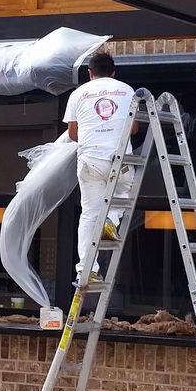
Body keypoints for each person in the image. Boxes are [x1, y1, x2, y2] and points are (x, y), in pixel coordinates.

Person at [64, 51, 136, 284]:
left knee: (88, 214)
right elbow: (133, 129)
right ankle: (112, 220)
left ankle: (87, 269)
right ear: (113, 72)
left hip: (90, 161)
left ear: (90, 73)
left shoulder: (77, 94)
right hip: (120, 159)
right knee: (123, 192)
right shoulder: (127, 91)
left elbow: (73, 133)